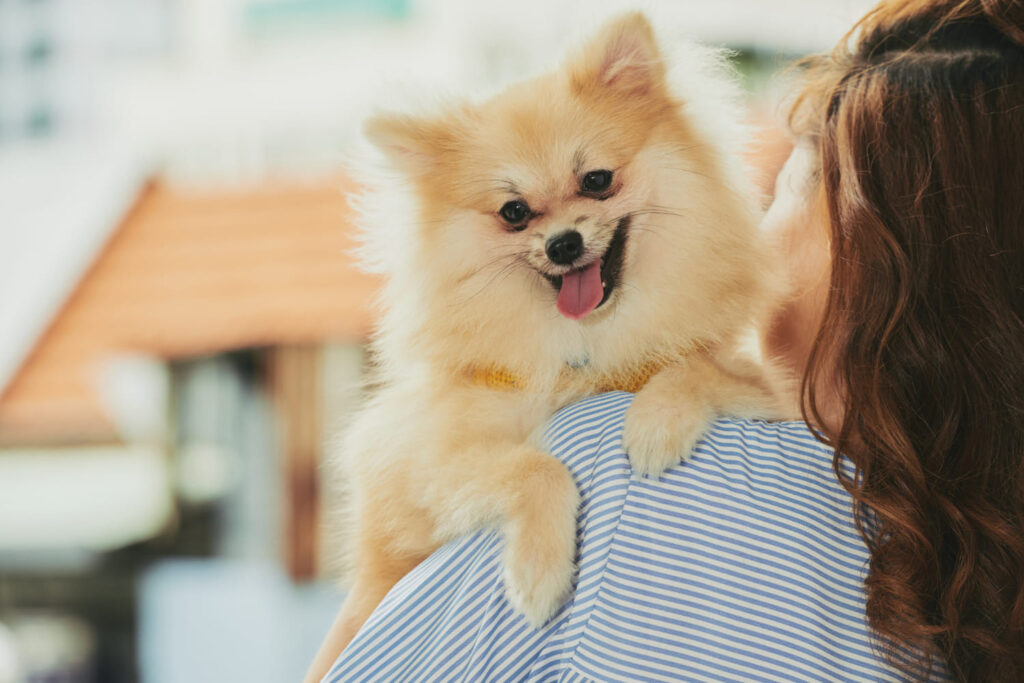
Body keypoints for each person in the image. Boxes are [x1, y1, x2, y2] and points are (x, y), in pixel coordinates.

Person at [313, 0, 1024, 679]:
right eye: (516, 213)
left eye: (793, 181)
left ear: (893, 265)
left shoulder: (633, 469)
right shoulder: (954, 563)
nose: (757, 216)